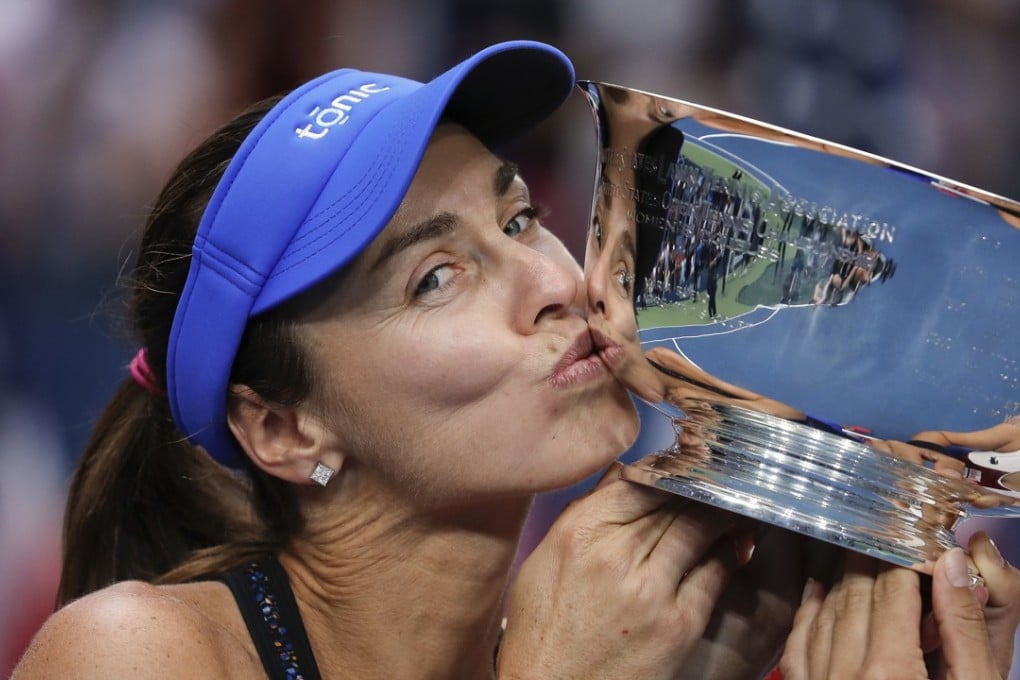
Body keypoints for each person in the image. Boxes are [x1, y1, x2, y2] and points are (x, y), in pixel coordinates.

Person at [13, 40, 1017, 679]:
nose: (557, 279)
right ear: (282, 426)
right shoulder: (136, 654)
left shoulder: (645, 647)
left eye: (519, 215)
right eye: (436, 278)